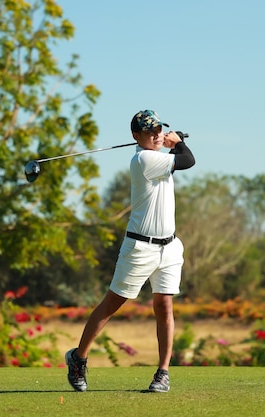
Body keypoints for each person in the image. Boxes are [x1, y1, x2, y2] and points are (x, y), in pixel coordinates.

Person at [65, 109, 196, 393]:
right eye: (150, 132)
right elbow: (188, 161)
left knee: (164, 305)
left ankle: (162, 372)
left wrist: (171, 142)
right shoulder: (144, 159)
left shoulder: (158, 154)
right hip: (140, 247)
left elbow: (180, 159)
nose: (157, 134)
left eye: (160, 129)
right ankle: (78, 358)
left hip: (170, 246)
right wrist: (177, 142)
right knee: (113, 303)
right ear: (137, 137)